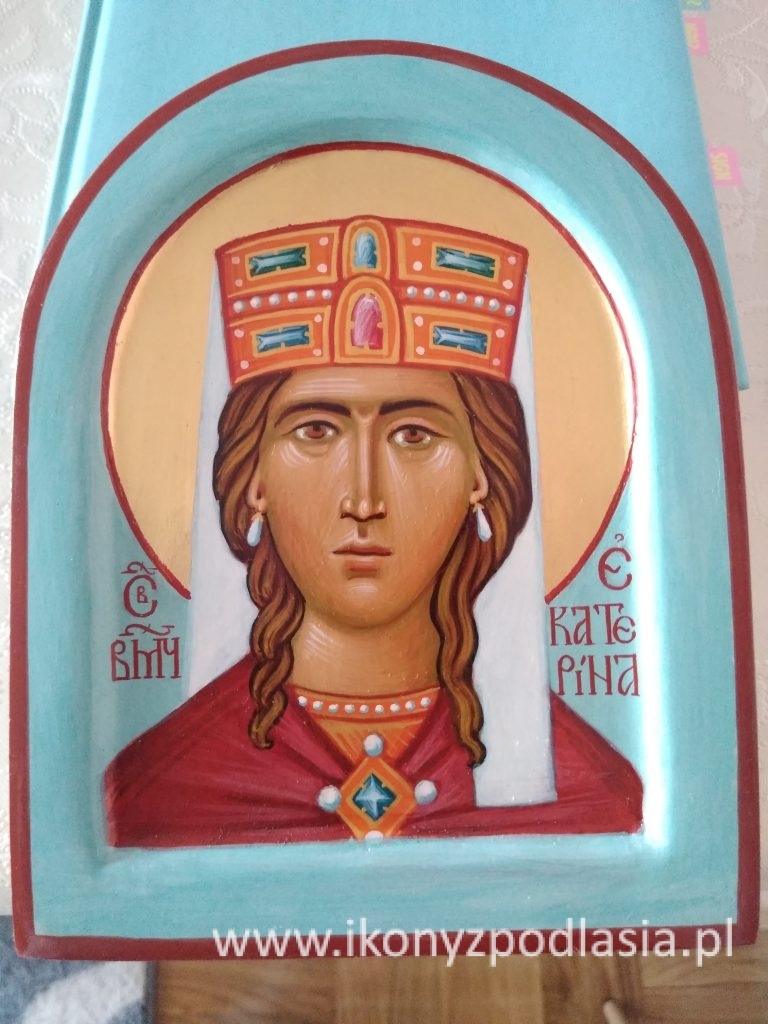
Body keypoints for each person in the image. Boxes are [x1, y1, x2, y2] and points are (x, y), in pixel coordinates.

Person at [105, 216, 642, 847]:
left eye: (413, 435)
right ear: (253, 480)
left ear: (483, 475)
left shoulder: (591, 794)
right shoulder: (161, 792)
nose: (364, 499)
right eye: (316, 431)